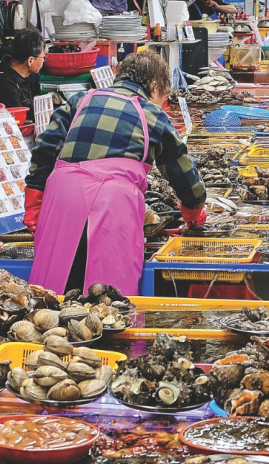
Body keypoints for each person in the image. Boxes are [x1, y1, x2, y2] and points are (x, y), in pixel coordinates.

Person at [23, 52, 207, 295]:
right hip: (113, 202)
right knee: (109, 299)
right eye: (163, 97)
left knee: (51, 292)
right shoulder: (153, 115)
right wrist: (194, 214)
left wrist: (34, 203)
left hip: (62, 198)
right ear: (153, 87)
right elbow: (184, 174)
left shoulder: (81, 100)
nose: (162, 104)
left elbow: (45, 148)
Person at [0, 28, 45, 115]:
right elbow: (20, 117)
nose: (43, 60)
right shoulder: (2, 83)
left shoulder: (21, 77)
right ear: (30, 61)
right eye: (43, 57)